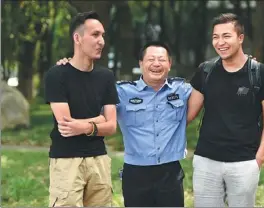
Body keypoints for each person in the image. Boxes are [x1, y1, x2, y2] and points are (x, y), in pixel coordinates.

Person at [56, 41, 193, 207]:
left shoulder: (182, 90)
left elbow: (208, 85)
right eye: (151, 59)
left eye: (162, 60)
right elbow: (91, 101)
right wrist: (71, 70)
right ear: (141, 63)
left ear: (169, 64)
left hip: (170, 172)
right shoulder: (122, 92)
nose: (156, 64)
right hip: (136, 173)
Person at [187, 13, 264, 207]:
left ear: (240, 38)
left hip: (244, 162)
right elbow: (188, 114)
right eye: (215, 37)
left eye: (226, 36)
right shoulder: (205, 71)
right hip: (206, 161)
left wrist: (259, 158)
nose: (220, 42)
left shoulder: (260, 73)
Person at [44, 11, 119, 207]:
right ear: (77, 38)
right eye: (95, 35)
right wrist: (99, 120)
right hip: (66, 161)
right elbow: (67, 126)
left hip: (99, 160)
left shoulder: (106, 77)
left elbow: (112, 126)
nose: (101, 41)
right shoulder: (56, 75)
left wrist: (85, 126)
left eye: (102, 35)